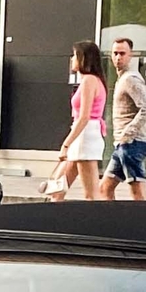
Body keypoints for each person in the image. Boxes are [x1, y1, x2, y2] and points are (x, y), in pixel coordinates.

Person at [49, 40, 108, 200]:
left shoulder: (89, 80)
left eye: (75, 55)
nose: (72, 59)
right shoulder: (92, 81)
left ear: (83, 58)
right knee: (57, 188)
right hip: (83, 134)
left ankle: (100, 222)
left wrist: (66, 144)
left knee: (91, 194)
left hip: (85, 135)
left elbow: (84, 116)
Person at [105, 37, 146, 200]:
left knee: (137, 191)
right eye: (115, 53)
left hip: (133, 144)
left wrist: (128, 134)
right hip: (123, 144)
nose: (118, 57)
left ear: (130, 55)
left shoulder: (130, 79)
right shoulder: (122, 79)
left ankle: (145, 223)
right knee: (105, 188)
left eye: (122, 53)